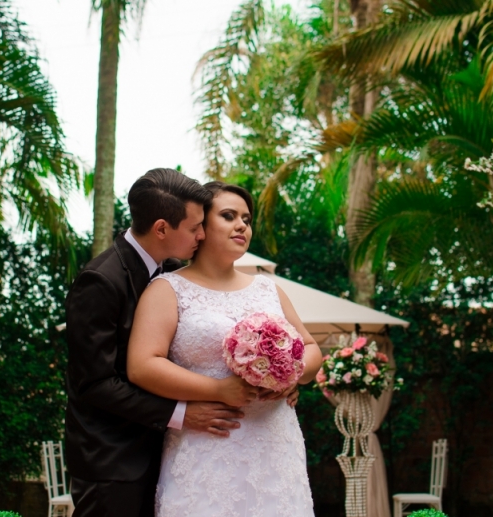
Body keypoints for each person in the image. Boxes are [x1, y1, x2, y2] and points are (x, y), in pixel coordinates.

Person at [65, 169, 259, 517]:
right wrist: (182, 414)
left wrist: (270, 377)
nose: (202, 234)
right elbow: (95, 383)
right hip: (113, 462)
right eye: (195, 227)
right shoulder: (99, 280)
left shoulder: (172, 272)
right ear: (161, 229)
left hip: (171, 456)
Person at [127, 181, 323, 516]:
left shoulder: (268, 289)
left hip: (276, 447)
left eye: (246, 219)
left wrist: (290, 375)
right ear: (200, 226)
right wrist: (218, 390)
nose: (242, 225)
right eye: (229, 216)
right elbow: (143, 365)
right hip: (207, 445)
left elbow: (312, 349)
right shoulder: (167, 289)